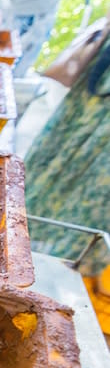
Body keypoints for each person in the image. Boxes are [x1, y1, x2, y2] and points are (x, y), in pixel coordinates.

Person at [24, 26, 110, 277]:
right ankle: (17, 234)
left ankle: (66, 263)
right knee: (50, 169)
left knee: (93, 191)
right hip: (94, 92)